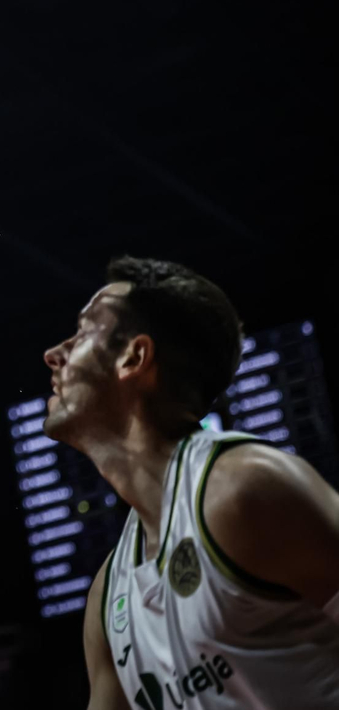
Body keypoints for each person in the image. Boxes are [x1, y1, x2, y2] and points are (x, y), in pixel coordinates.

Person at [41, 256, 339, 710]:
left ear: (133, 357)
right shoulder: (108, 594)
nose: (54, 354)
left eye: (83, 332)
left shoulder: (244, 490)